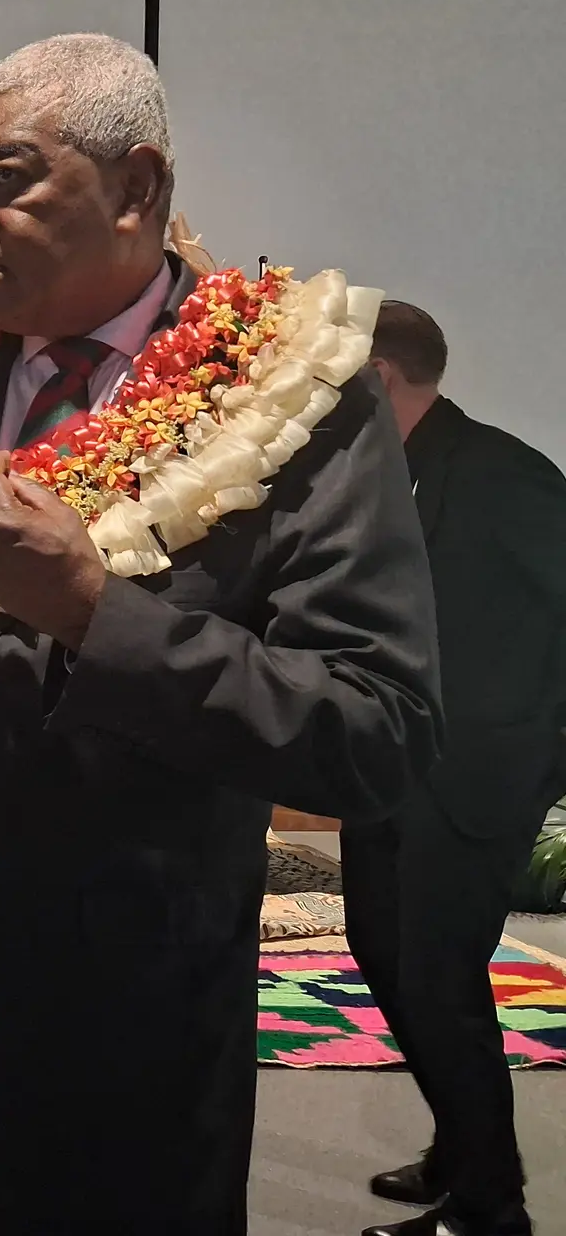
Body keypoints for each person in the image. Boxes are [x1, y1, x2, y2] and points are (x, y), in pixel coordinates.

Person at [0, 34, 442, 1234]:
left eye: (10, 179)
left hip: (98, 1102)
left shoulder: (297, 403)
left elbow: (376, 733)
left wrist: (94, 618)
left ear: (136, 187)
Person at [344, 301, 566, 1236]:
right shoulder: (382, 477)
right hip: (389, 764)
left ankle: (490, 1209)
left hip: (479, 776)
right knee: (381, 955)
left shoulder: (508, 476)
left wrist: (539, 762)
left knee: (440, 980)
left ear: (383, 378)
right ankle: (463, 1146)